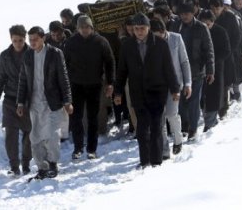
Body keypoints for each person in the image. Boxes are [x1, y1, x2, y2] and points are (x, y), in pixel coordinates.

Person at [114, 13, 180, 168]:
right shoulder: (127, 46)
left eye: (142, 28)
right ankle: (145, 161)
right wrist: (118, 92)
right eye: (136, 29)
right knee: (142, 129)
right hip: (138, 92)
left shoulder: (161, 44)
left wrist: (175, 89)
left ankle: (156, 161)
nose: (139, 32)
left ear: (148, 28)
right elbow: (122, 71)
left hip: (157, 91)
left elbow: (169, 68)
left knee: (156, 126)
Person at [17, 26, 73, 180]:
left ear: (43, 38)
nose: (32, 42)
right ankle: (42, 167)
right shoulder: (28, 56)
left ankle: (53, 164)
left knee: (52, 135)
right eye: (30, 40)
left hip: (52, 101)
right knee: (36, 137)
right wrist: (20, 103)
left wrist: (67, 100)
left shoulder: (55, 54)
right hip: (34, 103)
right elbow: (23, 80)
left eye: (35, 39)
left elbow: (63, 78)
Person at [63, 16, 115, 160]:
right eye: (82, 27)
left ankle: (92, 148)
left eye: (87, 27)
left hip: (95, 84)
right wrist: (65, 84)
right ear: (77, 28)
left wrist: (110, 82)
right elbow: (64, 65)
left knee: (93, 117)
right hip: (76, 85)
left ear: (91, 28)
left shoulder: (101, 42)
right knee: (76, 117)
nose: (84, 30)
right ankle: (78, 147)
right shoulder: (71, 42)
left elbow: (110, 62)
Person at [0, 25, 33, 176]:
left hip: (28, 100)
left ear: (25, 38)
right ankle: (14, 165)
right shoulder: (5, 56)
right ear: (11, 39)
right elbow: (1, 77)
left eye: (21, 40)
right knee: (11, 133)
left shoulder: (32, 53)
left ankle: (26, 162)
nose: (18, 44)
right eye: (15, 40)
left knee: (29, 132)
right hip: (9, 98)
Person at [150, 18, 191, 158]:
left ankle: (178, 140)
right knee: (160, 117)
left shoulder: (176, 38)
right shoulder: (149, 42)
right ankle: (164, 149)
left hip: (174, 83)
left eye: (158, 35)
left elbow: (184, 62)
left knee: (172, 114)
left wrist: (188, 83)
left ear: (163, 31)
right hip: (158, 85)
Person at [175, 2, 215, 141]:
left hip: (197, 70)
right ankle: (184, 127)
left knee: (193, 102)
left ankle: (193, 128)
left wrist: (210, 70)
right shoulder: (176, 26)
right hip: (179, 71)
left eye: (187, 13)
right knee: (180, 102)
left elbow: (209, 50)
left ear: (193, 14)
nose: (184, 16)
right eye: (182, 14)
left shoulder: (201, 28)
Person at [197, 10, 231, 132]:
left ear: (212, 22)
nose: (205, 26)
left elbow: (226, 50)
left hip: (216, 68)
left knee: (213, 96)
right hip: (199, 68)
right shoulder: (196, 31)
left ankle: (210, 123)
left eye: (208, 24)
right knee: (200, 97)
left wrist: (213, 61)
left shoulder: (220, 32)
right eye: (202, 23)